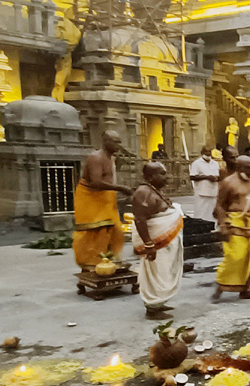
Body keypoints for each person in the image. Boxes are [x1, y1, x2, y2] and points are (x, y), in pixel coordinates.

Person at [213, 155, 250, 300]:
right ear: (240, 168)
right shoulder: (228, 183)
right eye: (249, 168)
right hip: (235, 223)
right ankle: (222, 284)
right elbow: (220, 206)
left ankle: (246, 289)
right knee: (235, 256)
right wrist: (222, 226)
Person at [73, 131, 132, 271]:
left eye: (119, 141)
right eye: (115, 142)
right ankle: (90, 264)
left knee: (114, 229)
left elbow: (108, 179)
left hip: (105, 197)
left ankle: (108, 260)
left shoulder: (112, 158)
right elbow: (96, 183)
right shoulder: (96, 157)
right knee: (95, 230)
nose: (119, 145)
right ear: (106, 141)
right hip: (90, 197)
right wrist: (120, 188)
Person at [132, 162, 184, 319]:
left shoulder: (153, 190)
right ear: (150, 176)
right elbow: (140, 219)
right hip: (155, 242)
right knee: (155, 272)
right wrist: (149, 244)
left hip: (165, 243)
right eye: (162, 174)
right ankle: (152, 308)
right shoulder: (143, 192)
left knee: (164, 271)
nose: (166, 177)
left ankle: (158, 302)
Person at [188, 146, 220, 221]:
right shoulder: (196, 163)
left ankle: (212, 227)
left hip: (213, 192)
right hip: (202, 192)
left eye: (209, 152)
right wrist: (207, 177)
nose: (208, 153)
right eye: (206, 151)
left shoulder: (215, 163)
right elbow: (192, 177)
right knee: (201, 212)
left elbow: (218, 175)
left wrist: (216, 178)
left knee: (212, 212)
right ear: (202, 152)